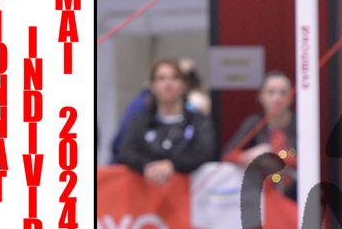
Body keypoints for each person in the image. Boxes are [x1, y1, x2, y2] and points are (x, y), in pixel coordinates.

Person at [116, 58, 216, 182]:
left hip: (188, 189)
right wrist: (147, 166)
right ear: (152, 86)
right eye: (161, 78)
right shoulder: (140, 120)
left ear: (184, 85)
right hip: (145, 188)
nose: (168, 84)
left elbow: (205, 152)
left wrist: (173, 165)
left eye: (174, 78)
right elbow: (126, 151)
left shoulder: (198, 121)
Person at [223, 70, 297, 200]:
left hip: (296, 194)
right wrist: (246, 156)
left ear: (291, 97)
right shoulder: (254, 123)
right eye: (271, 92)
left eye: (283, 92)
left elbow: (309, 159)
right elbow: (228, 155)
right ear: (261, 96)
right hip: (261, 195)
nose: (277, 98)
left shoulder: (302, 124)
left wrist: (274, 154)